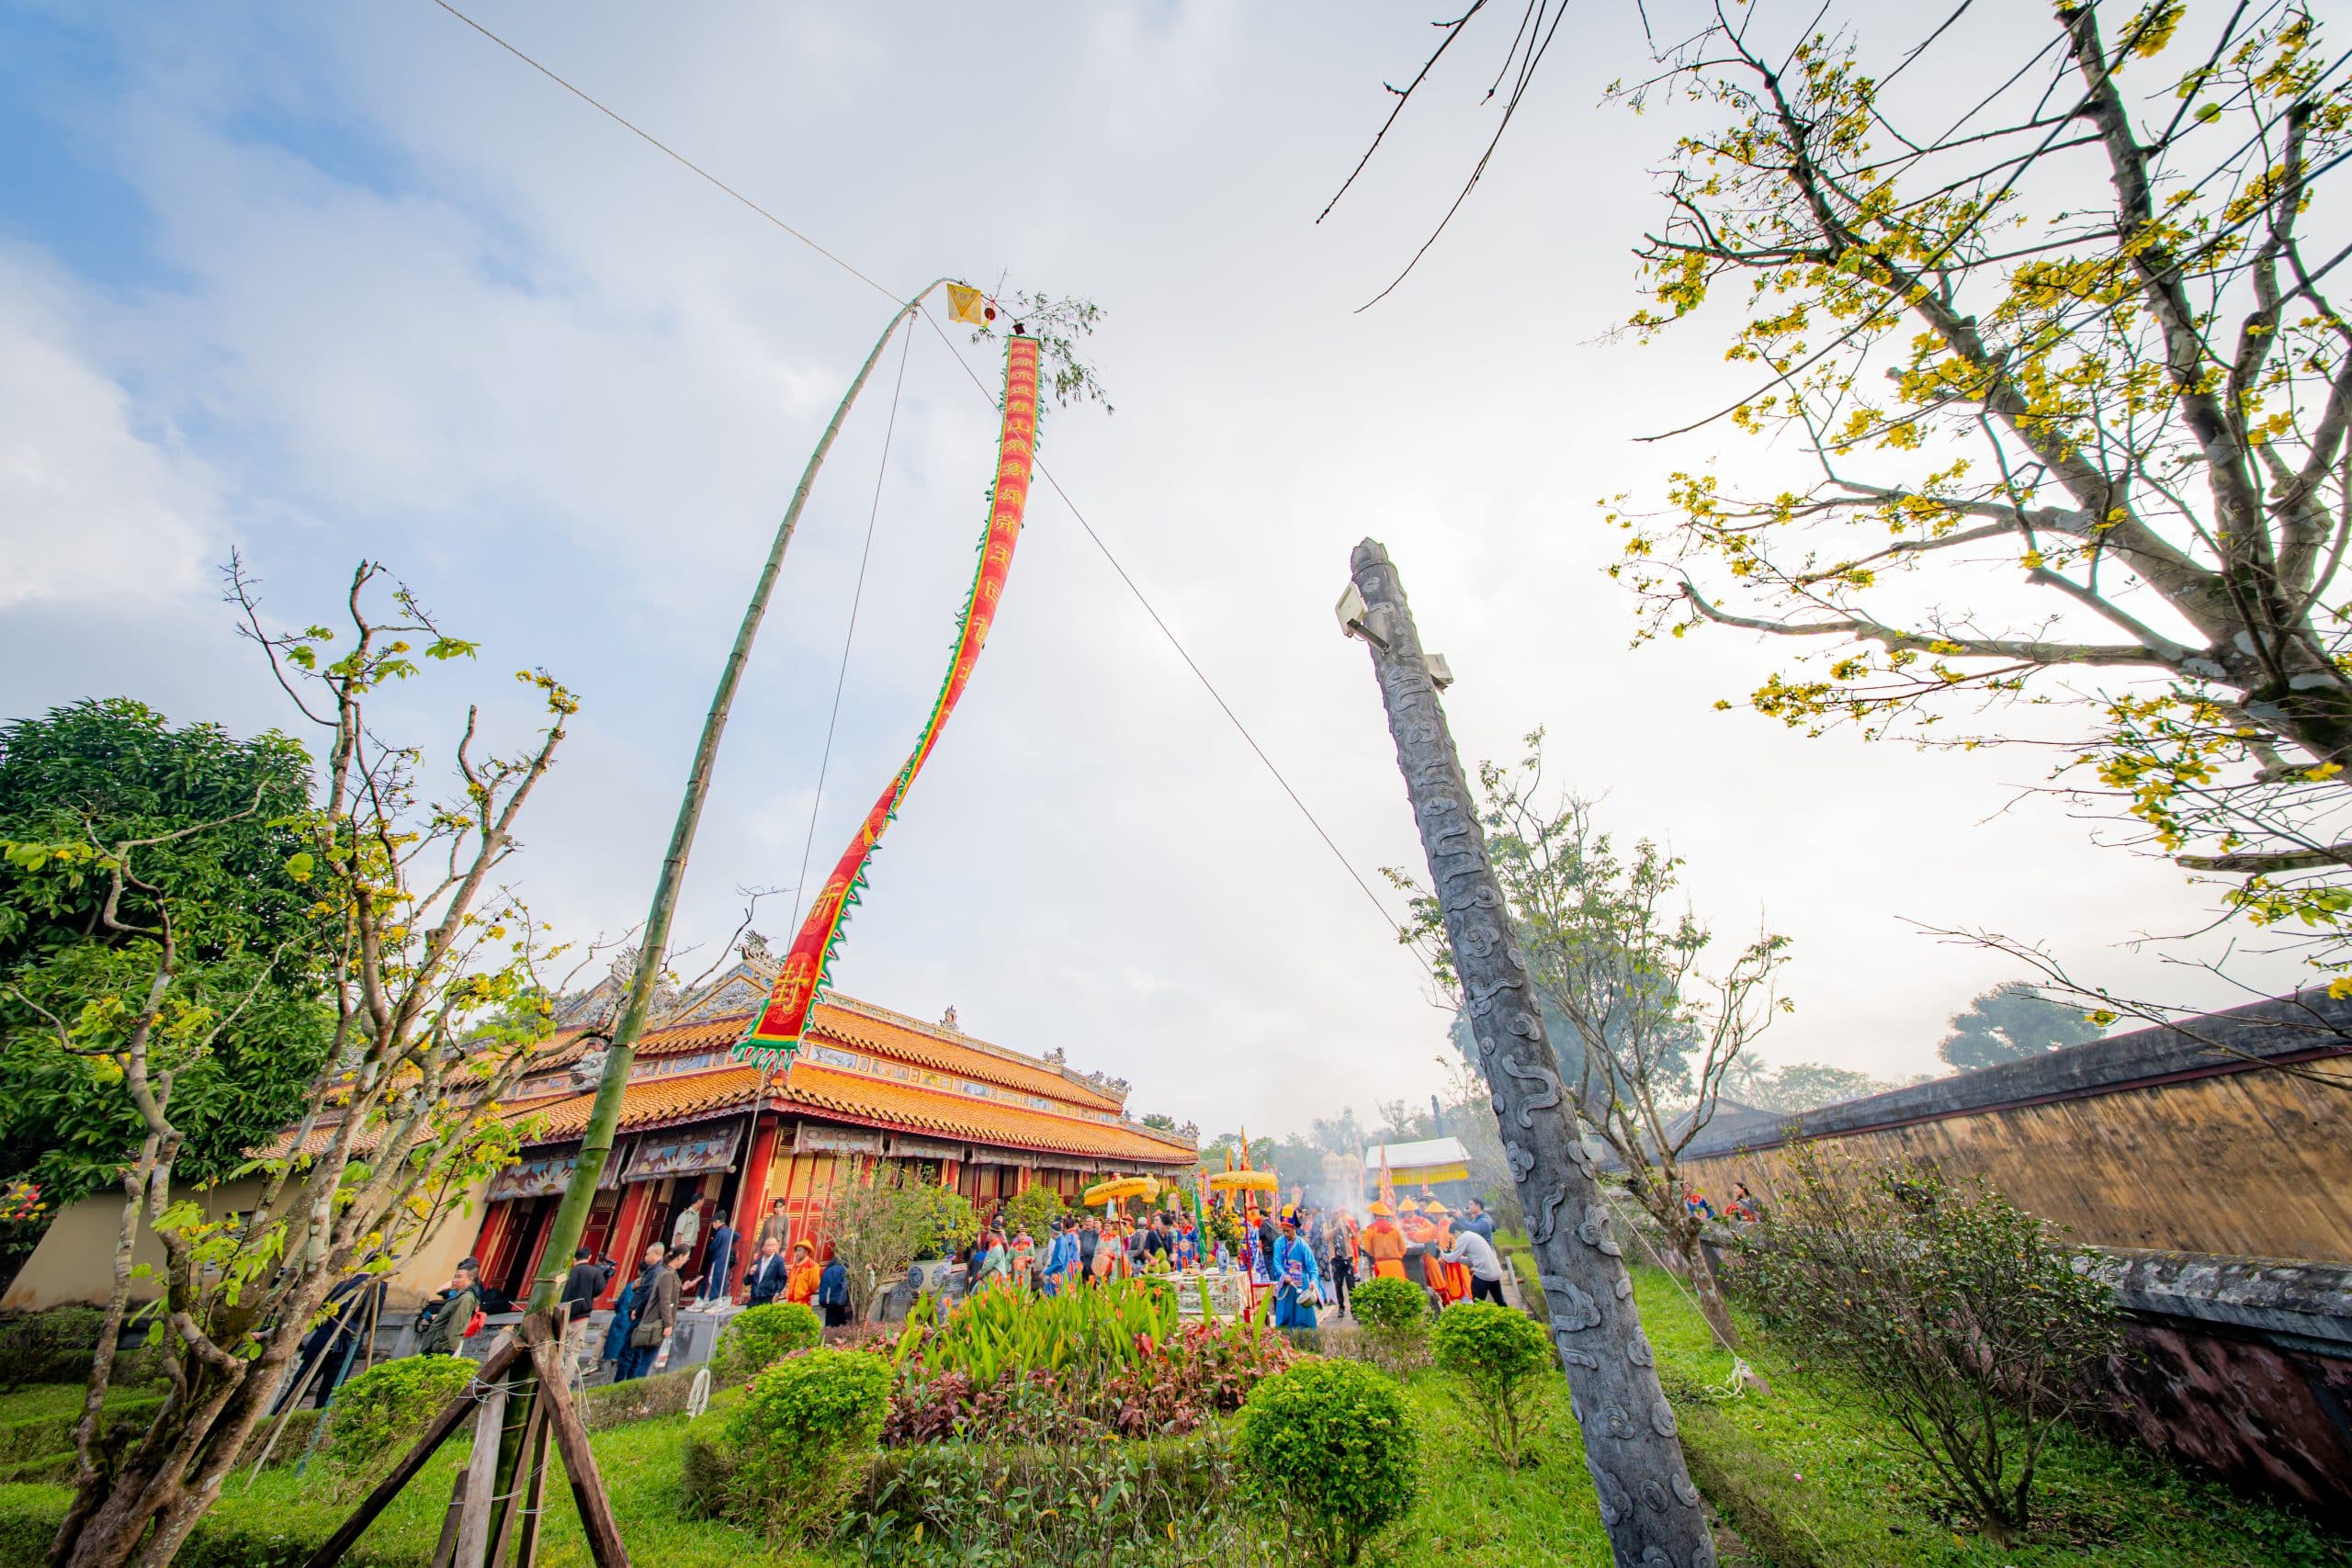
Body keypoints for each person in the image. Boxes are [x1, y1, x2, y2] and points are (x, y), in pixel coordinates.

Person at [616, 1243, 676, 1382]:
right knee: (635, 1354)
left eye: (648, 1254)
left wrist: (637, 1309)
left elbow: (650, 1294)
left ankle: (620, 1383)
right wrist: (635, 1288)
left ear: (657, 1253)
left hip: (642, 1316)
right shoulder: (653, 1270)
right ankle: (629, 1382)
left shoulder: (658, 1272)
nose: (645, 1257)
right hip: (643, 1315)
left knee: (629, 1353)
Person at [413, 1259, 481, 1358]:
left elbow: (456, 1326)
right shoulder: (458, 1296)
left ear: (470, 1279)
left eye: (459, 1277)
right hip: (434, 1344)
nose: (454, 1280)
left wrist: (441, 1347)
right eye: (455, 1277)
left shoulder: (465, 1298)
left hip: (441, 1349)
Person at [1440, 1222, 1509, 1305]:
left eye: (1454, 1236)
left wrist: (1441, 1253)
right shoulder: (1472, 1235)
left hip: (1484, 1275)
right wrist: (1457, 1258)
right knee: (1500, 1302)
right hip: (1495, 1273)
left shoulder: (1463, 1238)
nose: (1455, 1239)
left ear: (1457, 1232)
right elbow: (1471, 1261)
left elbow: (1452, 1258)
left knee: (1478, 1303)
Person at [1272, 1216, 1319, 1329]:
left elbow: (1313, 1266)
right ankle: (1284, 1338)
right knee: (1284, 1316)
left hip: (1301, 1286)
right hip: (1285, 1285)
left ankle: (1305, 1338)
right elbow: (1276, 1263)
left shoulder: (1302, 1245)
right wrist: (1284, 1275)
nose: (1286, 1234)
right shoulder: (1278, 1243)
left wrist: (1313, 1281)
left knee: (1303, 1318)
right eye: (1284, 1231)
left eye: (1288, 1231)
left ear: (1294, 1229)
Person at [558, 1247, 612, 1324]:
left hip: (561, 1313)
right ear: (589, 1257)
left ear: (574, 1259)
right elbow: (598, 1291)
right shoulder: (595, 1272)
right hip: (580, 1315)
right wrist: (606, 1277)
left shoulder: (567, 1273)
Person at [1360, 1201, 1408, 1281]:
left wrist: (1376, 1254)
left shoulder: (1370, 1228)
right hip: (1396, 1265)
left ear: (1374, 1215)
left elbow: (1367, 1249)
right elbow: (1403, 1248)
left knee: (1384, 1288)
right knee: (1399, 1287)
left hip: (1380, 1265)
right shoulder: (1394, 1227)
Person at [1327, 1209, 1359, 1318]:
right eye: (1334, 1214)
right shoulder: (1327, 1224)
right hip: (1335, 1259)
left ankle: (1354, 1309)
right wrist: (1336, 1229)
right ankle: (1341, 1307)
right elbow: (1326, 1236)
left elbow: (1354, 1236)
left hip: (1347, 1258)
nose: (1336, 1216)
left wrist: (1349, 1228)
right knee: (1338, 1284)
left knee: (1351, 1284)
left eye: (1337, 1214)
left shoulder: (1344, 1222)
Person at [744, 1235, 790, 1306]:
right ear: (763, 1247)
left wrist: (777, 1293)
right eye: (768, 1245)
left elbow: (783, 1279)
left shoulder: (779, 1261)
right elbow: (746, 1282)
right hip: (754, 1297)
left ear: (776, 1247)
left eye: (773, 1246)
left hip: (768, 1297)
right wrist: (750, 1274)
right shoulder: (758, 1261)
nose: (770, 1248)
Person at [701, 1216, 736, 1303]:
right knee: (722, 1279)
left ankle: (714, 1299)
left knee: (713, 1279)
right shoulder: (729, 1231)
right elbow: (737, 1236)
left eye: (713, 1223)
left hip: (718, 1259)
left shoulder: (720, 1232)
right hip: (725, 1259)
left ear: (717, 1221)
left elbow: (714, 1247)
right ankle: (719, 1298)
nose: (713, 1226)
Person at [816, 1249, 851, 1328]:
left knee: (830, 1324)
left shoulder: (828, 1269)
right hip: (841, 1302)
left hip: (828, 1301)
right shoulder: (845, 1270)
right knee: (841, 1326)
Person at [785, 1242, 820, 1306]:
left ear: (806, 1252)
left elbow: (814, 1286)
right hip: (790, 1303)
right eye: (796, 1251)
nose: (797, 1253)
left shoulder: (812, 1266)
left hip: (803, 1303)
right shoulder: (795, 1266)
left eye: (800, 1250)